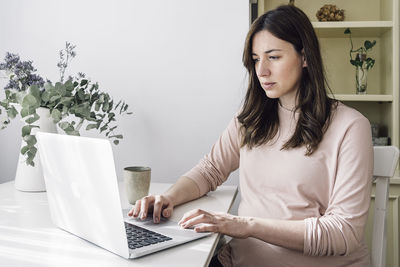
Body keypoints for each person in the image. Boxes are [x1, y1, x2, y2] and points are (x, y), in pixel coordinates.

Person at [128, 5, 373, 267]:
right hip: (240, 260)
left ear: (304, 57)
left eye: (273, 57)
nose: (262, 71)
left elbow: (343, 232)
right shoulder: (252, 118)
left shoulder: (351, 126)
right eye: (256, 59)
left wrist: (246, 226)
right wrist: (168, 197)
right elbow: (210, 170)